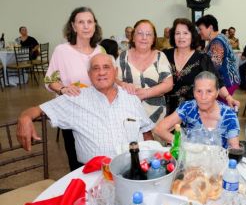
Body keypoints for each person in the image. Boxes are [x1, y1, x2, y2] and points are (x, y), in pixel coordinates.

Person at [17, 53, 154, 164]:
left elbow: (146, 133)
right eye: (96, 68)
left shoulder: (130, 97)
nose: (101, 73)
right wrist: (24, 117)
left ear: (115, 71)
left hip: (132, 169)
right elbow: (37, 110)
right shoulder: (76, 98)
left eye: (106, 67)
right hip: (94, 175)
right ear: (89, 74)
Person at [44, 6, 104, 171]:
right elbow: (50, 80)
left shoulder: (100, 50)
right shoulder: (62, 51)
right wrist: (62, 88)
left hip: (96, 112)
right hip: (72, 112)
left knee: (98, 158)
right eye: (81, 22)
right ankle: (79, 193)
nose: (86, 26)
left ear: (95, 25)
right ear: (73, 26)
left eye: (89, 22)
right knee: (77, 162)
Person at [163, 18, 240, 115]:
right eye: (177, 33)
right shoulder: (164, 55)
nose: (181, 37)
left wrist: (228, 97)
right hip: (165, 110)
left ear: (192, 36)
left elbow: (216, 81)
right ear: (173, 36)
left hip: (192, 112)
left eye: (185, 33)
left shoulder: (202, 58)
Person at [154, 71, 240, 149]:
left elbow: (234, 148)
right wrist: (185, 144)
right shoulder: (188, 107)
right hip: (191, 160)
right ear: (194, 92)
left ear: (217, 93)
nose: (203, 97)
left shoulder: (228, 115)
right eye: (199, 91)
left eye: (209, 91)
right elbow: (159, 129)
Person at [116, 19, 173, 124]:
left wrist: (146, 93)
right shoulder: (123, 56)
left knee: (155, 141)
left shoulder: (160, 56)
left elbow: (168, 84)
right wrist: (123, 84)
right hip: (128, 115)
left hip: (156, 116)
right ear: (133, 37)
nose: (144, 38)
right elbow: (113, 80)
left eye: (148, 34)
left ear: (153, 39)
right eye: (140, 33)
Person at [196, 15, 240, 101]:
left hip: (226, 83)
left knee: (220, 111)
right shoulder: (221, 37)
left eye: (201, 29)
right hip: (230, 80)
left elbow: (213, 66)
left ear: (210, 28)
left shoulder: (217, 43)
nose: (199, 32)